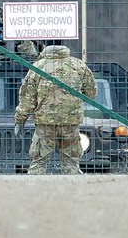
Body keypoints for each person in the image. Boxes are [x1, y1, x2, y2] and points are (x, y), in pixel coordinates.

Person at [13, 41, 96, 175]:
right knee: (71, 164)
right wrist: (72, 100)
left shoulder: (38, 67)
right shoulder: (79, 65)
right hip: (70, 121)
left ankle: (33, 192)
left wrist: (20, 120)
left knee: (38, 163)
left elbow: (27, 100)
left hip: (45, 123)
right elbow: (91, 93)